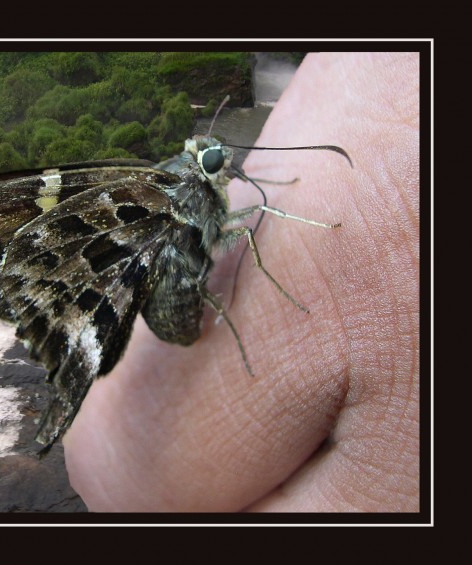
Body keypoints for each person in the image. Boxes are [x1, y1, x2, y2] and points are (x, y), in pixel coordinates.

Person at [63, 52, 421, 512]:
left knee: (254, 222)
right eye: (214, 158)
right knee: (252, 224)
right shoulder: (180, 191)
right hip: (171, 298)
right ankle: (233, 326)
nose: (224, 161)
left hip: (169, 301)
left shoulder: (202, 187)